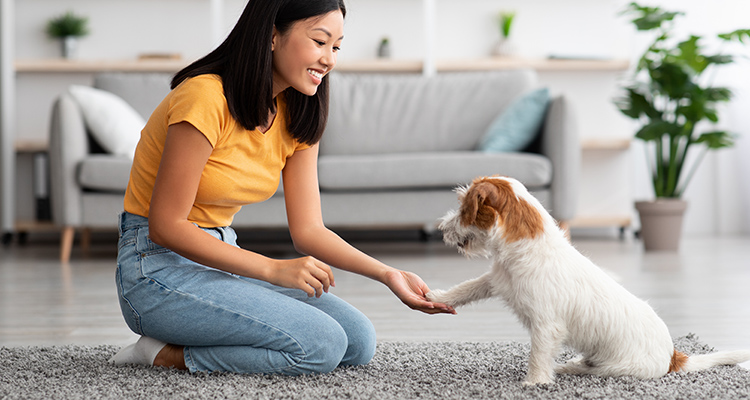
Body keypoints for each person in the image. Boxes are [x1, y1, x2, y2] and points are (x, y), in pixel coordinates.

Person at [110, 0, 454, 376]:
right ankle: (161, 353)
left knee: (357, 340)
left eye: (336, 47)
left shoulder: (298, 109)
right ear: (273, 36)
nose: (329, 59)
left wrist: (388, 273)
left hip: (222, 254)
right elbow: (167, 225)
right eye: (320, 42)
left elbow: (309, 231)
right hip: (156, 268)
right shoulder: (205, 97)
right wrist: (273, 270)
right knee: (321, 345)